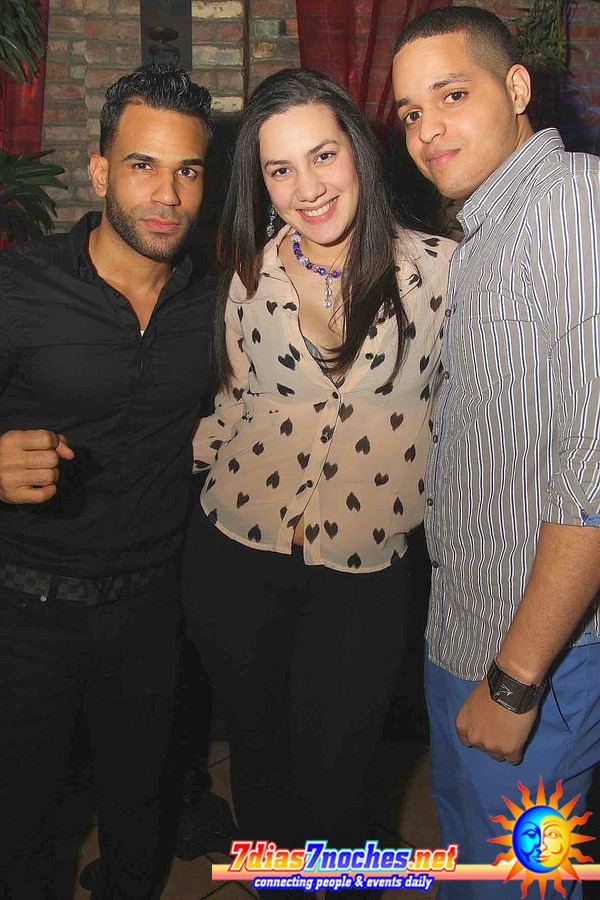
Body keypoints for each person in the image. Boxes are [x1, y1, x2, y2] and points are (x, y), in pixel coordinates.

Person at [183, 65, 455, 876]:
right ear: (262, 183)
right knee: (260, 768)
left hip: (364, 573)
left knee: (340, 784)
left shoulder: (444, 273)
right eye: (280, 169)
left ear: (359, 152)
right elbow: (230, 404)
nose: (307, 188)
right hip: (235, 555)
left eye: (323, 155)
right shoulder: (246, 274)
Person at [391, 7, 600, 899]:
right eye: (410, 111)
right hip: (470, 631)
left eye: (451, 95)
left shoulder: (572, 206)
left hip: (538, 659)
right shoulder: (489, 229)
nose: (427, 130)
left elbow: (594, 476)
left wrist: (514, 682)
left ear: (517, 88)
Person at [0, 63, 215, 899]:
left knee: (137, 816)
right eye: (142, 165)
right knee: (22, 828)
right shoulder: (21, 286)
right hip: (24, 613)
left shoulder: (218, 300)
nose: (167, 194)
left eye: (187, 170)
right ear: (99, 172)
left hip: (151, 611)